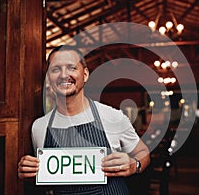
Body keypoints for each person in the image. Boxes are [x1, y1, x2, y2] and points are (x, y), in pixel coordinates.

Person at [18, 45, 150, 195]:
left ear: (85, 74)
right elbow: (43, 179)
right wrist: (28, 173)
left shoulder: (112, 117)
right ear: (49, 77)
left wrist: (134, 165)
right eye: (56, 69)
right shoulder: (39, 127)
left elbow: (143, 151)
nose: (63, 75)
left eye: (72, 68)